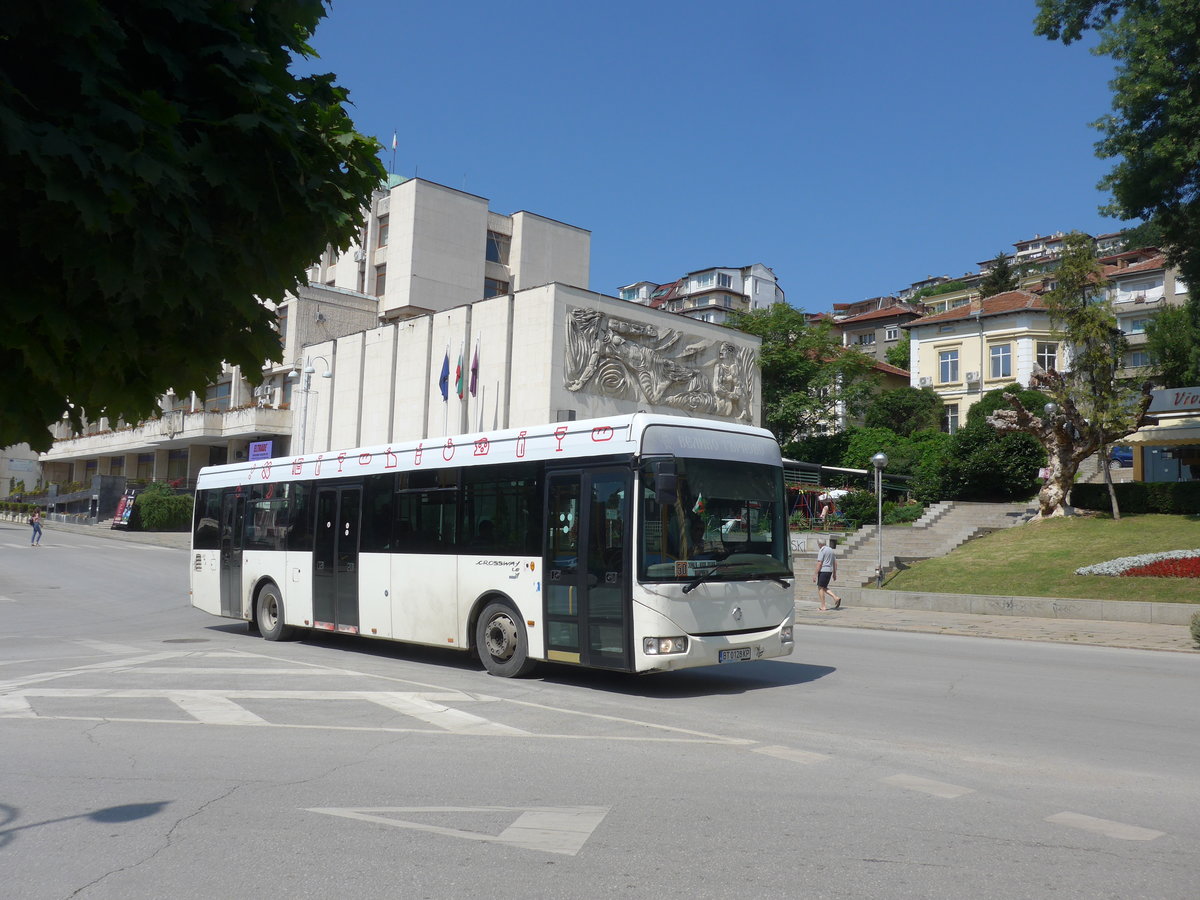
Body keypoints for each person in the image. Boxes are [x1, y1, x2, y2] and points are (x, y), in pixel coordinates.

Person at [813, 537, 840, 610]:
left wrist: (815, 574)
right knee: (823, 587)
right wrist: (834, 573)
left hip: (823, 570)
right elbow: (835, 562)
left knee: (820, 588)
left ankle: (823, 606)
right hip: (829, 571)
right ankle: (835, 597)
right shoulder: (831, 550)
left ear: (819, 544)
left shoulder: (822, 550)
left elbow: (819, 563)